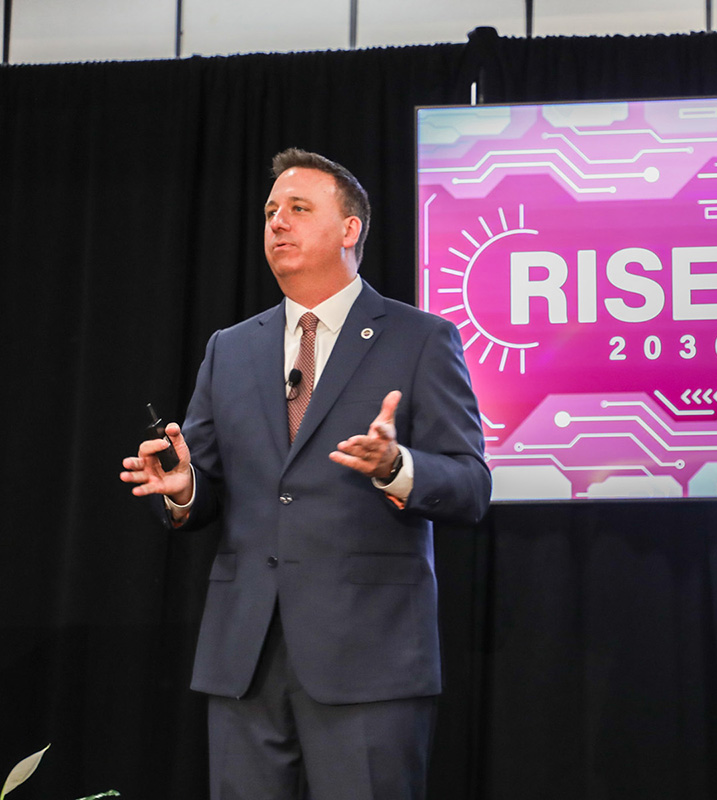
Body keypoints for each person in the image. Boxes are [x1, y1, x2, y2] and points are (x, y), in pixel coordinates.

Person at [120, 148, 491, 800]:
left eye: (298, 209)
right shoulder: (229, 348)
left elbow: (469, 485)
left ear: (349, 229)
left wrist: (397, 466)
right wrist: (184, 490)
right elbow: (207, 484)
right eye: (270, 212)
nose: (277, 223)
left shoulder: (420, 338)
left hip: (369, 663)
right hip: (244, 660)